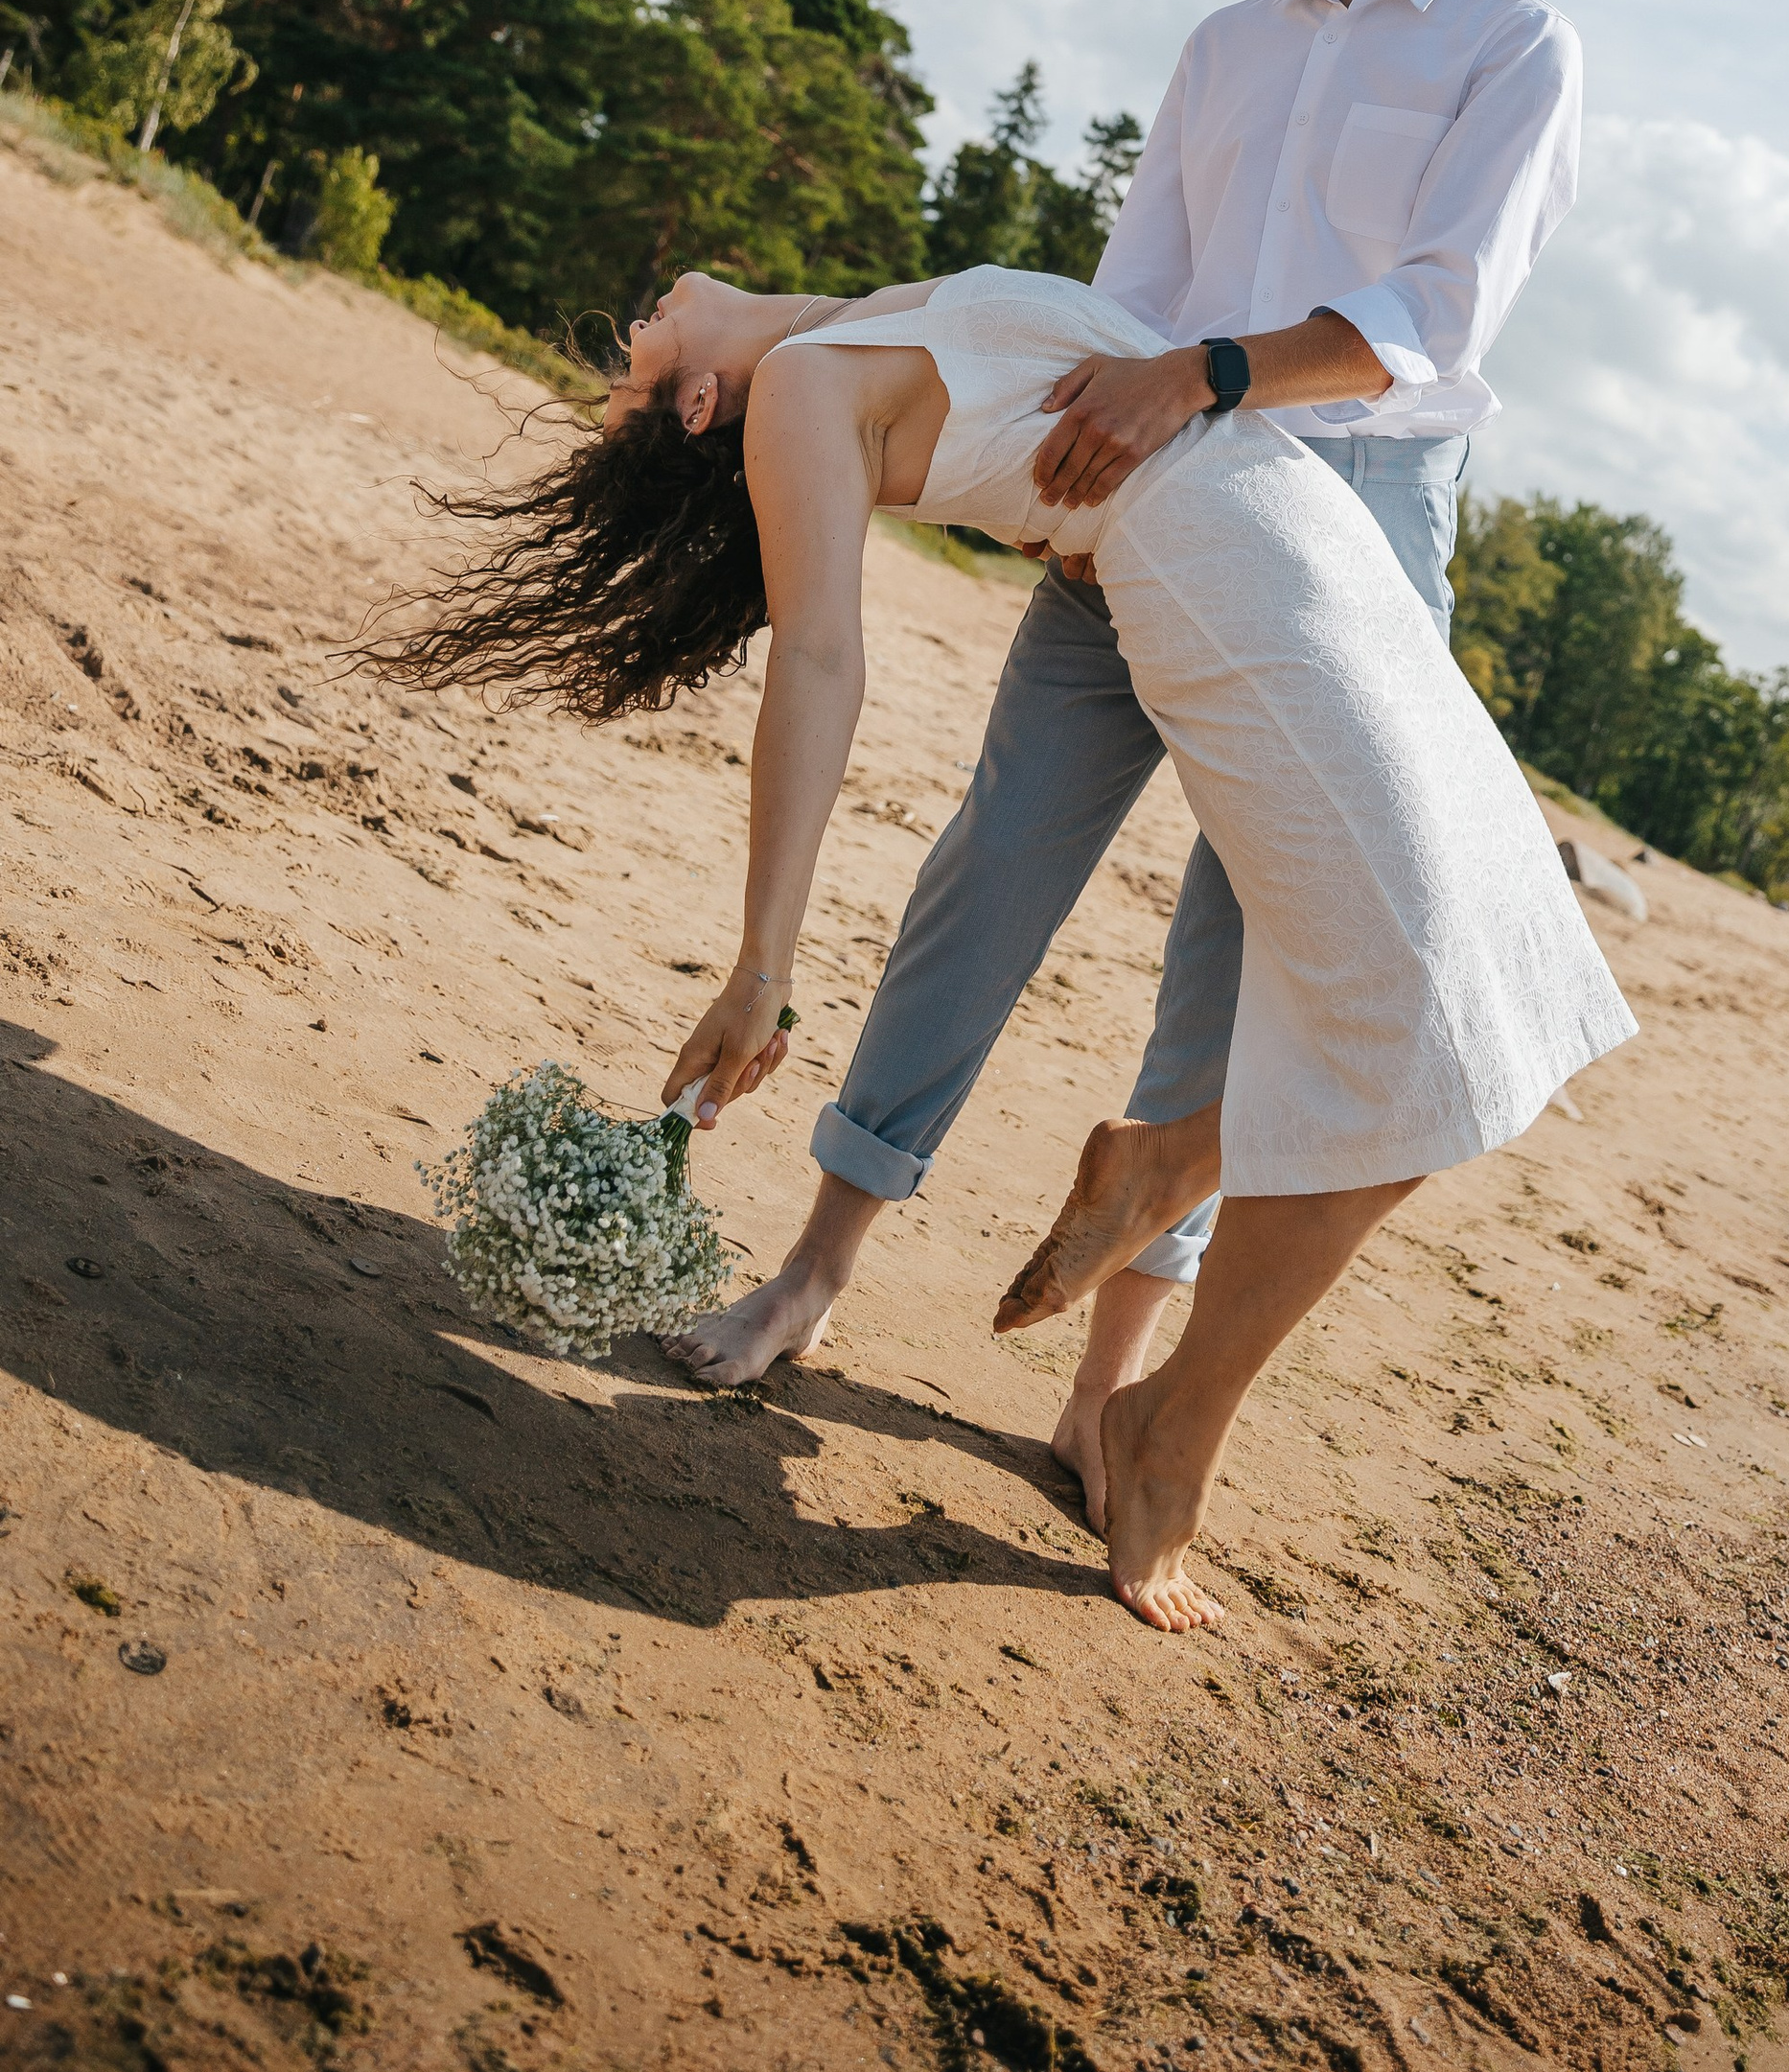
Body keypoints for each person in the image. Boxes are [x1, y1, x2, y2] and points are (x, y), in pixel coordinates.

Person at [378, 257, 1636, 1626]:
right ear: (696, 400)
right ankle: (1172, 1423)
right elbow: (819, 661)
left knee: (1498, 982)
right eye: (637, 359)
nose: (638, 315)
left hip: (1314, 540)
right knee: (1434, 1043)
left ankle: (1173, 1166)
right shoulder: (800, 388)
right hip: (1244, 587)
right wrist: (762, 965)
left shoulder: (843, 332)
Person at [662, 0, 1584, 1518]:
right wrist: (1060, 458)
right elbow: (1129, 289)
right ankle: (819, 1267)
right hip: (1138, 477)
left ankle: (1105, 1391)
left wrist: (1212, 375)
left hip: (1360, 518)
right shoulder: (1226, 47)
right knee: (995, 856)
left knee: (1240, 965)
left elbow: (1437, 318)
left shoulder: (1513, 44)